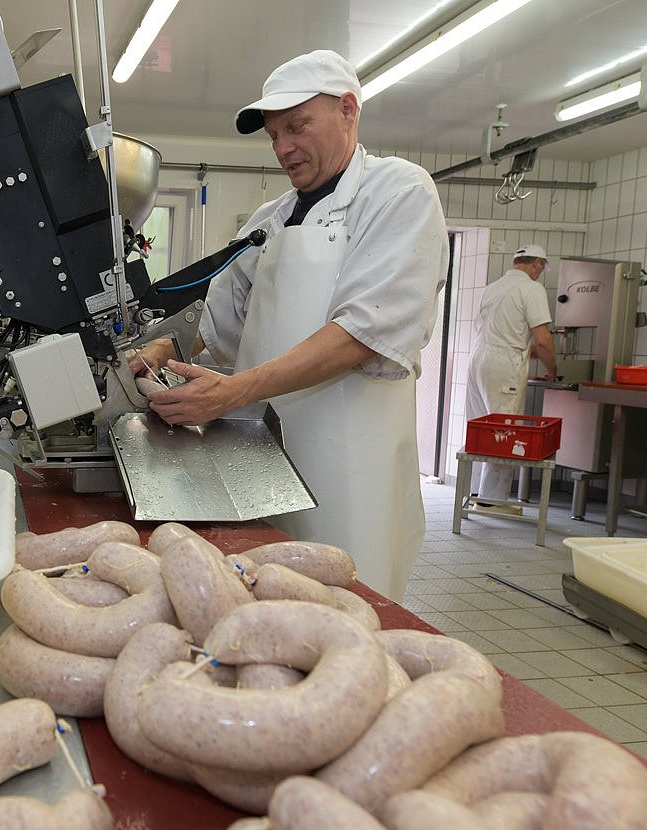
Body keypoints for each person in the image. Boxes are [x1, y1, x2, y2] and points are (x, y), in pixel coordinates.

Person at [128, 50, 448, 602]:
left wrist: (232, 393)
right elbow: (216, 322)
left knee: (348, 598)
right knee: (269, 596)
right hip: (262, 457)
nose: (283, 149)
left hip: (350, 457)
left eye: (297, 126)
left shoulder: (399, 193)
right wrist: (156, 350)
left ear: (348, 110)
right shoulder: (269, 220)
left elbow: (359, 335)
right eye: (274, 135)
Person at [464, 244, 557, 510]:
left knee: (478, 428)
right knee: (503, 432)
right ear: (537, 263)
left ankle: (472, 495)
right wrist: (553, 369)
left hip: (478, 359)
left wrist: (528, 351)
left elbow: (501, 331)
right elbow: (543, 339)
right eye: (541, 267)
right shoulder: (532, 288)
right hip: (504, 365)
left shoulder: (492, 288)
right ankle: (491, 502)